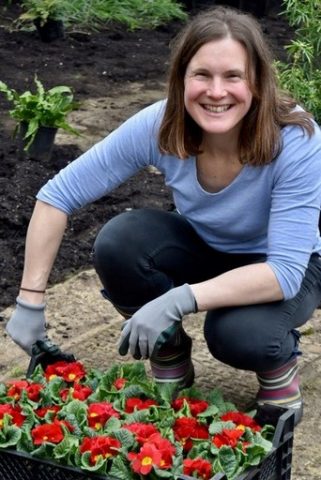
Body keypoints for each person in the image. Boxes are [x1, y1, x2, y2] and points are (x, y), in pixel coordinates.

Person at [6, 6, 321, 426]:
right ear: (181, 78)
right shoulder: (161, 124)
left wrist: (178, 299)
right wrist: (29, 301)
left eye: (233, 76)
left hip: (285, 266)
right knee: (121, 243)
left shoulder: (296, 140)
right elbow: (56, 196)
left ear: (257, 83)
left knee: (238, 335)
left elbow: (283, 271)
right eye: (201, 75)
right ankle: (169, 351)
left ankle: (278, 371)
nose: (216, 91)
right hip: (208, 245)